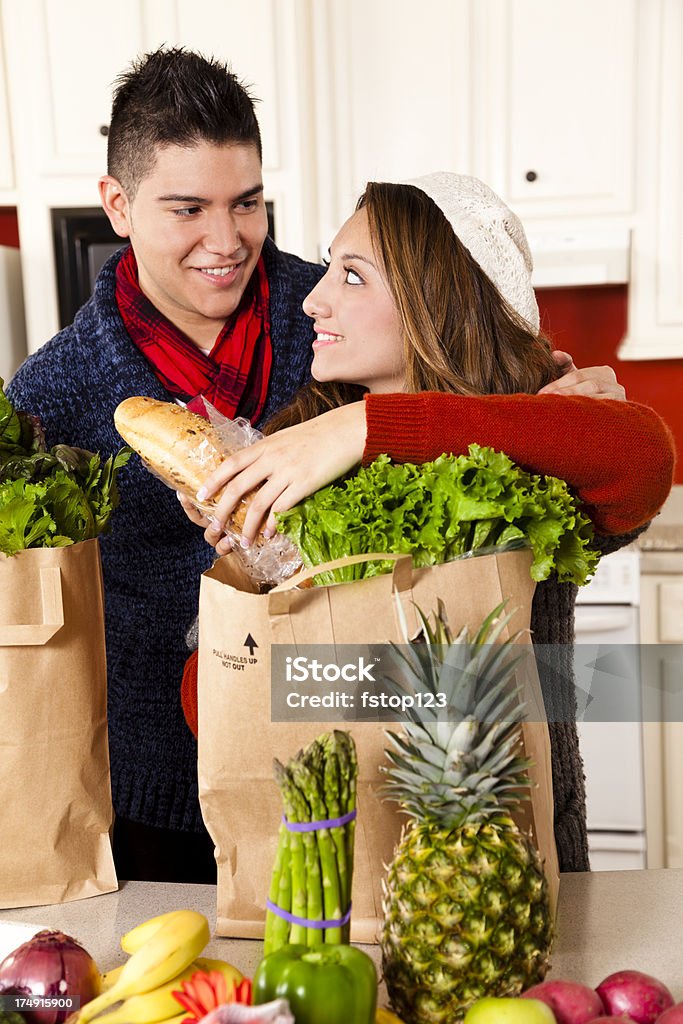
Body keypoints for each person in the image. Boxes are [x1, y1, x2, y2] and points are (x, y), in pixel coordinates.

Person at [3, 47, 643, 884]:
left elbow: (614, 459)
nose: (224, 241)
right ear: (118, 206)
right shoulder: (53, 390)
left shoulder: (346, 329)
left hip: (429, 810)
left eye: (248, 203)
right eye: (187, 208)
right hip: (154, 800)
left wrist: (367, 430)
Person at [181, 173, 675, 873]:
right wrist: (249, 577)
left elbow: (643, 456)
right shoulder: (298, 453)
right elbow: (217, 709)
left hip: (512, 859)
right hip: (338, 864)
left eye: (352, 277)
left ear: (434, 303)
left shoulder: (530, 438)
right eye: (328, 268)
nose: (314, 298)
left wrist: (367, 425)